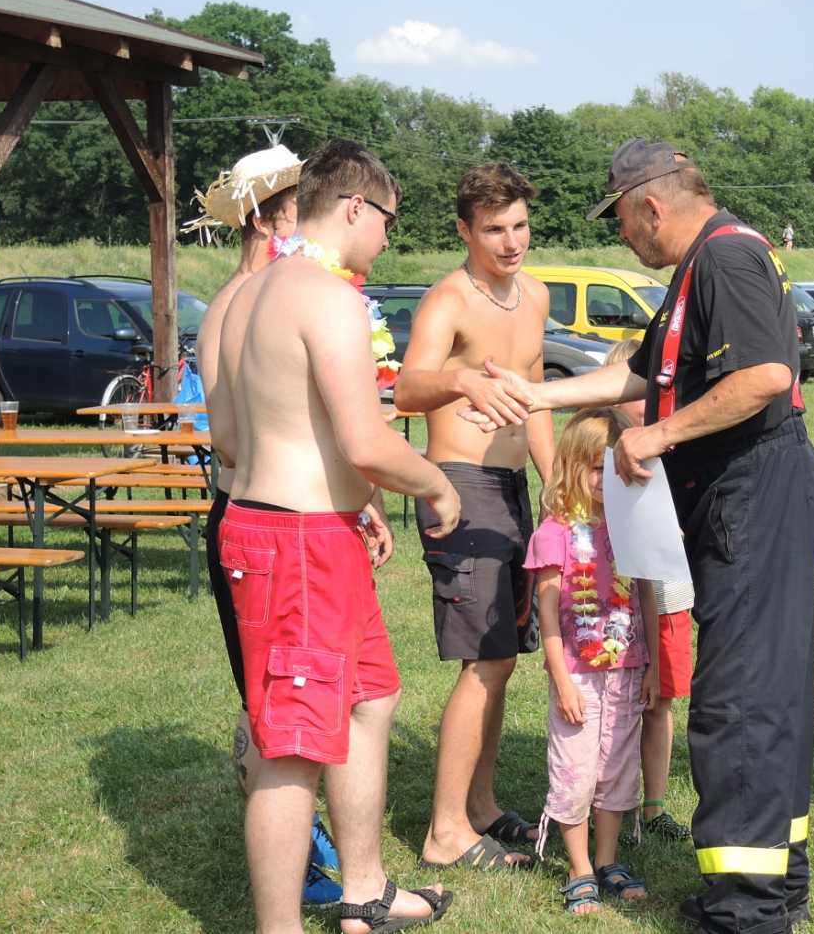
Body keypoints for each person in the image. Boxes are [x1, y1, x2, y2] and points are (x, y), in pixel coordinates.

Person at [473, 139, 814, 933]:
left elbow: (764, 375)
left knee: (739, 702)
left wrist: (657, 439)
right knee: (761, 694)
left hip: (754, 495)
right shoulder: (698, 268)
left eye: (624, 223)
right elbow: (643, 370)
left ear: (651, 207)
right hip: (749, 498)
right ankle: (771, 884)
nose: (623, 238)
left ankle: (748, 907)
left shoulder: (725, 260)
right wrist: (536, 392)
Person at [210, 139, 461, 933]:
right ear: (355, 206)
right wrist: (435, 480)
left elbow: (227, 436)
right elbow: (364, 441)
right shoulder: (326, 295)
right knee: (290, 748)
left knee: (370, 697)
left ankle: (364, 892)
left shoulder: (247, 295)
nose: (389, 238)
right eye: (388, 219)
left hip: (301, 527)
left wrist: (350, 500)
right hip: (299, 543)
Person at [189, 144, 357, 908]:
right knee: (282, 711)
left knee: (291, 701)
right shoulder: (252, 301)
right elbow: (229, 438)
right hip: (267, 515)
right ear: (271, 215)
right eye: (299, 202)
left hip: (255, 512)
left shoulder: (246, 296)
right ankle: (304, 863)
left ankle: (311, 852)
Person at [392, 163, 555, 870]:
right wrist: (457, 378)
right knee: (482, 660)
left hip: (515, 487)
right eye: (494, 228)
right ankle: (444, 831)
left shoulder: (537, 294)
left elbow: (537, 394)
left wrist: (558, 484)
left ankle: (481, 807)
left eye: (519, 224)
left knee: (504, 657)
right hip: (460, 484)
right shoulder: (446, 301)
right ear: (464, 230)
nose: (511, 240)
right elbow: (403, 389)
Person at [524, 407, 657, 914]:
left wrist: (655, 668)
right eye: (595, 467)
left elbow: (644, 596)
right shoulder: (556, 533)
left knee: (618, 767)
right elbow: (549, 615)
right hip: (577, 672)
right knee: (576, 767)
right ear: (571, 467)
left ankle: (608, 860)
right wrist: (560, 680)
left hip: (626, 667)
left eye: (613, 467)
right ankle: (579, 866)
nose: (605, 479)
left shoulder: (631, 527)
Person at [606, 338, 694, 844]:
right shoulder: (598, 451)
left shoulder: (677, 444)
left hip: (666, 596)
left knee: (659, 700)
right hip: (611, 603)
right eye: (635, 394)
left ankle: (654, 805)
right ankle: (615, 803)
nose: (645, 406)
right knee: (615, 702)